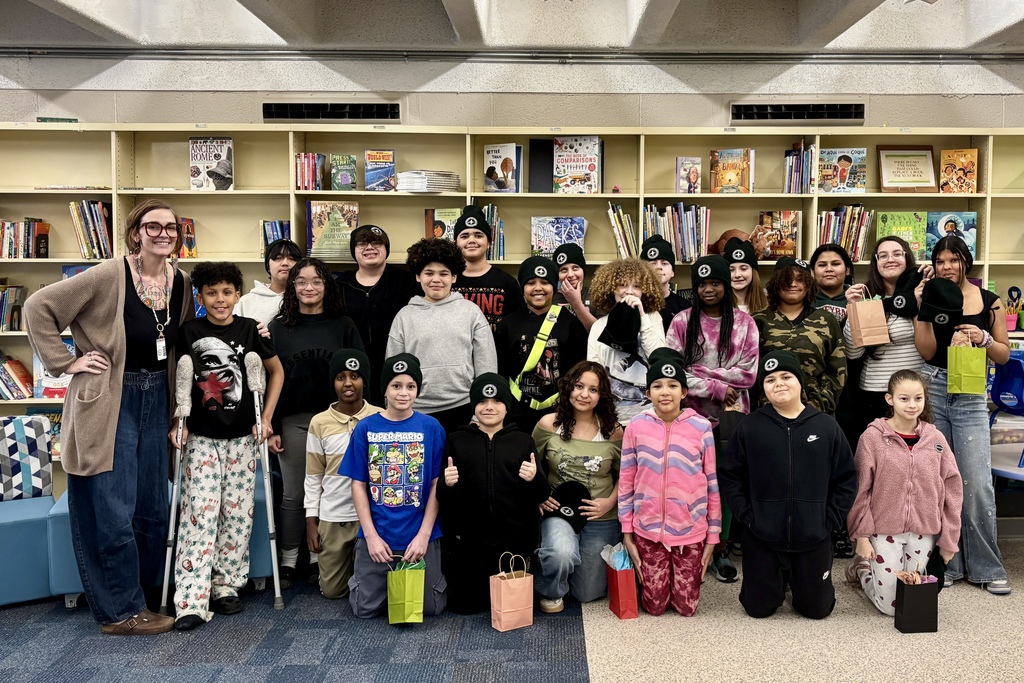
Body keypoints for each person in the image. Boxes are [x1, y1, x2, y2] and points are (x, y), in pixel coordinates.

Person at [25, 198, 195, 635]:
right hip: (109, 399)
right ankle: (120, 611)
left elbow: (182, 343)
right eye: (152, 226)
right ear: (135, 232)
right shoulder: (108, 274)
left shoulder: (182, 282)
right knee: (112, 506)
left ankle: (146, 596)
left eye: (170, 228)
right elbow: (37, 308)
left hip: (158, 397)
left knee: (153, 506)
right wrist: (66, 363)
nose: (162, 234)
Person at [170, 262, 284, 630]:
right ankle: (191, 598)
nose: (220, 300)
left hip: (243, 441)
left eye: (227, 292)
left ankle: (226, 586)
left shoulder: (250, 330)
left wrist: (265, 417)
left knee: (237, 516)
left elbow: (276, 371)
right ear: (200, 297)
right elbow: (177, 380)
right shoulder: (189, 332)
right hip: (201, 439)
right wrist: (177, 421)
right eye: (211, 293)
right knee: (199, 515)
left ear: (238, 295)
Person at [718, 351, 857, 620]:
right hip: (762, 537)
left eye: (786, 376)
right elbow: (730, 476)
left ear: (800, 382)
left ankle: (804, 585)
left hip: (813, 537)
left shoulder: (826, 427)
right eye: (770, 380)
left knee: (817, 610)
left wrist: (829, 519)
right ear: (763, 387)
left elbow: (846, 479)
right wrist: (748, 516)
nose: (779, 383)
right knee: (758, 609)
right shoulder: (750, 427)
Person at [914, 236, 1012, 595]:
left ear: (966, 262)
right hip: (935, 388)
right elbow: (926, 352)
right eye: (940, 261)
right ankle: (948, 564)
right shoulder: (930, 296)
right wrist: (922, 310)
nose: (947, 267)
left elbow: (1002, 355)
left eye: (954, 260)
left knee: (977, 481)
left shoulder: (989, 301)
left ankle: (987, 566)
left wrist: (983, 337)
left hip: (970, 391)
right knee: (939, 480)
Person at [267, 257, 364, 588]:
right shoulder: (279, 327)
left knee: (333, 490)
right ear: (292, 288)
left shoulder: (343, 324)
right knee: (294, 494)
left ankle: (317, 557)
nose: (309, 287)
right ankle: (289, 560)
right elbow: (270, 382)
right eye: (301, 282)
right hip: (294, 422)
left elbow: (360, 376)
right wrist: (273, 426)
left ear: (327, 287)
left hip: (339, 421)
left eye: (317, 281)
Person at [666, 254, 758, 583]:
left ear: (726, 285)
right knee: (692, 483)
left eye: (715, 283)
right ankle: (690, 544)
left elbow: (748, 375)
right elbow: (673, 371)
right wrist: (716, 386)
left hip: (733, 420)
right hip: (688, 417)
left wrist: (699, 375)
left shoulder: (745, 323)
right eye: (701, 283)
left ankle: (720, 549)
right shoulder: (680, 321)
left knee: (725, 481)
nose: (708, 289)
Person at [339, 354, 447, 618]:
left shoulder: (431, 427)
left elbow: (436, 484)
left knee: (431, 608)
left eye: (410, 386)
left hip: (419, 533)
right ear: (385, 389)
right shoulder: (366, 428)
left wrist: (423, 535)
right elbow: (358, 485)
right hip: (379, 533)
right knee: (364, 609)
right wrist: (372, 537)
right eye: (396, 385)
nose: (403, 393)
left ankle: (398, 586)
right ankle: (383, 584)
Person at [846, 370, 963, 615]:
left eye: (918, 398)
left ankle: (873, 571)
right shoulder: (872, 438)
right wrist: (862, 536)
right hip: (884, 529)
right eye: (904, 399)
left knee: (913, 593)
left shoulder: (935, 439)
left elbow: (953, 489)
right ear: (890, 399)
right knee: (891, 607)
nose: (912, 405)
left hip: (924, 531)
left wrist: (949, 540)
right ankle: (862, 570)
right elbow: (860, 489)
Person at [618, 348, 720, 616]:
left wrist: (712, 537)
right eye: (657, 385)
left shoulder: (701, 428)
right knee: (654, 607)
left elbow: (712, 484)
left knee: (687, 608)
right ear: (648, 392)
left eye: (673, 385)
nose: (665, 392)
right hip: (648, 531)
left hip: (690, 531)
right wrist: (627, 531)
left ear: (684, 392)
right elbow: (626, 481)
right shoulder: (636, 427)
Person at [436, 373, 549, 614]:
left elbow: (541, 493)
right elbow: (442, 497)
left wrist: (533, 479)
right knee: (466, 607)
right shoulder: (457, 440)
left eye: (497, 401)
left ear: (507, 407)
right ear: (473, 406)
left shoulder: (522, 441)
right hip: (471, 541)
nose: (489, 407)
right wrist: (447, 484)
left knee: (512, 607)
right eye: (482, 402)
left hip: (512, 540)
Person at [533, 361, 624, 614]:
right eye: (579, 386)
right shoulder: (547, 425)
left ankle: (571, 567)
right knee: (561, 554)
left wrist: (610, 502)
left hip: (601, 514)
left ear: (601, 395)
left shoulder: (614, 433)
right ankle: (551, 585)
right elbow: (529, 464)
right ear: (568, 388)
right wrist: (539, 497)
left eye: (593, 390)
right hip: (559, 510)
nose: (584, 394)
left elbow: (628, 474)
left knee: (587, 593)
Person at [387, 238, 497, 434]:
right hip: (416, 409)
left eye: (443, 273)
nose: (436, 279)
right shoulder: (404, 316)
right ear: (418, 276)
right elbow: (393, 369)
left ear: (454, 277)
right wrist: (393, 410)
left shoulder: (471, 312)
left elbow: (486, 366)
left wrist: (480, 411)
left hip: (463, 407)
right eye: (429, 273)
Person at [304, 349, 382, 599]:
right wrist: (311, 521)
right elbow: (314, 476)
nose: (348, 383)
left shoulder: (380, 417)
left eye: (355, 376)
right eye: (340, 377)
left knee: (374, 588)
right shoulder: (319, 422)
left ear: (365, 381)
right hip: (335, 515)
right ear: (333, 383)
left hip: (372, 517)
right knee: (333, 591)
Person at [843, 236, 930, 434]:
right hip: (876, 391)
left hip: (916, 394)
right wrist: (853, 312)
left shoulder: (924, 291)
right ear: (876, 263)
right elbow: (853, 353)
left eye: (897, 254)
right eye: (883, 256)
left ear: (908, 257)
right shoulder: (868, 298)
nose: (890, 259)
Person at [494, 256, 588, 434]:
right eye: (531, 283)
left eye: (545, 282)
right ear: (522, 288)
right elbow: (501, 369)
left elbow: (579, 369)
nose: (538, 288)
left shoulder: (570, 323)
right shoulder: (508, 324)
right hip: (516, 413)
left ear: (554, 287)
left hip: (559, 412)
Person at [336, 225, 419, 403]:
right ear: (353, 250)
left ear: (386, 249)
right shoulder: (339, 285)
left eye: (376, 243)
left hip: (397, 369)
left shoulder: (406, 282)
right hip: (353, 371)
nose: (370, 248)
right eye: (362, 244)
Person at [754, 258, 846, 416]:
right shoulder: (758, 320)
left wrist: (819, 404)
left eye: (800, 279)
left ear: (808, 284)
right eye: (787, 279)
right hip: (769, 410)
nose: (793, 284)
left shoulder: (826, 319)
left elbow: (837, 369)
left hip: (817, 411)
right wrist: (764, 403)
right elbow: (751, 368)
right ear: (776, 283)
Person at [587, 258, 667, 425]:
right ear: (612, 289)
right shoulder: (599, 326)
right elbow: (594, 372)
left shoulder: (652, 318)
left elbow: (660, 357)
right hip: (612, 418)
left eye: (637, 286)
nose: (629, 291)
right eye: (623, 285)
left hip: (651, 418)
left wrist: (642, 316)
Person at [451, 205, 525, 331]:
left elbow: (518, 326)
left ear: (489, 243)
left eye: (478, 235)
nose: (471, 240)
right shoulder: (446, 281)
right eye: (464, 236)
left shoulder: (507, 282)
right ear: (455, 243)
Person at [234, 238, 300, 325]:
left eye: (291, 258)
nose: (285, 263)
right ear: (268, 265)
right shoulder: (245, 302)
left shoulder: (304, 298)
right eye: (278, 258)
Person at [640, 235, 691, 332]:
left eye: (664, 263)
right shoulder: (636, 303)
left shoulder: (684, 307)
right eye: (653, 264)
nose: (659, 267)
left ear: (672, 272)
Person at [552, 243, 598, 332]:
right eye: (563, 270)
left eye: (575, 268)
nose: (570, 275)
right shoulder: (551, 298)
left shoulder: (595, 295)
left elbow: (600, 334)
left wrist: (576, 304)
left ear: (583, 271)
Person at [811, 243, 854, 326]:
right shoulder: (803, 299)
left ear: (847, 269)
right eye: (822, 265)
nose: (829, 269)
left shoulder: (858, 297)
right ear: (813, 272)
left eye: (835, 264)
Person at [723, 237, 767, 315]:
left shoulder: (768, 306)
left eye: (743, 269)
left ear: (753, 271)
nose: (737, 275)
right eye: (731, 270)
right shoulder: (716, 309)